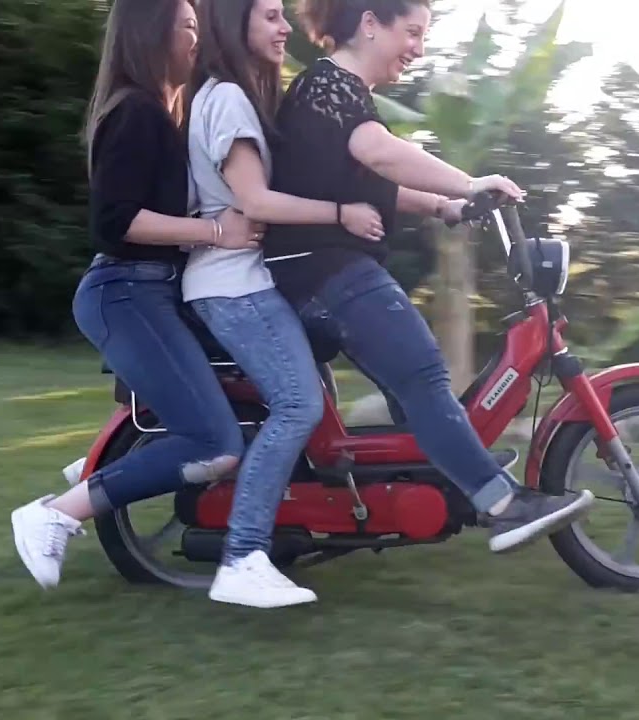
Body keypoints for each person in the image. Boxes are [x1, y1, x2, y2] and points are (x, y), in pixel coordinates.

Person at [263, 0, 598, 554]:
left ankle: (442, 475)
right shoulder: (331, 87)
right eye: (412, 32)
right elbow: (382, 154)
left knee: (408, 380)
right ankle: (502, 503)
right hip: (323, 272)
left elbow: (373, 182)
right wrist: (469, 183)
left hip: (318, 271)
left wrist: (444, 206)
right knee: (420, 372)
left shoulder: (333, 93)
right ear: (370, 23)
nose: (418, 47)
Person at [10, 0, 258, 590]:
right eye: (189, 28)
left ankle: (109, 462)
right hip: (126, 293)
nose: (198, 41)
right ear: (153, 34)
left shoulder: (165, 115)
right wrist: (219, 231)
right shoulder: (137, 113)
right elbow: (116, 221)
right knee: (214, 444)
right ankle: (54, 515)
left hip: (153, 295)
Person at [180, 0, 385, 608]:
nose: (285, 27)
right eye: (270, 15)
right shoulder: (228, 99)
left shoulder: (246, 98)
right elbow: (257, 202)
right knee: (297, 405)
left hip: (250, 279)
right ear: (233, 23)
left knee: (333, 369)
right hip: (229, 284)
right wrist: (342, 214)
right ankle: (242, 558)